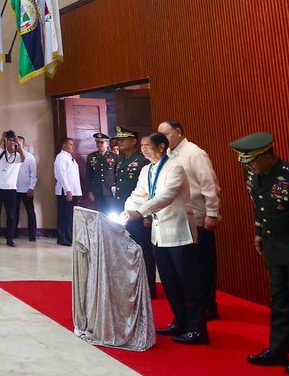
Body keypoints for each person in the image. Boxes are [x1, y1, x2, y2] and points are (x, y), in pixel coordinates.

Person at [231, 132, 289, 376]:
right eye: (246, 163)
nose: (249, 167)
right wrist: (259, 232)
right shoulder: (254, 175)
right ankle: (279, 348)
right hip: (274, 247)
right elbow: (260, 206)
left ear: (268, 155)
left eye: (252, 161)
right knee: (280, 301)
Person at [124, 132, 209, 346]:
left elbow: (167, 196)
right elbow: (139, 193)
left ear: (162, 147)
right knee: (169, 282)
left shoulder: (175, 168)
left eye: (147, 145)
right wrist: (128, 210)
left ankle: (198, 329)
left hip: (179, 232)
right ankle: (179, 321)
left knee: (188, 282)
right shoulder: (147, 170)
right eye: (141, 145)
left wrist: (141, 211)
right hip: (159, 235)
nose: (143, 149)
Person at [160, 120, 222, 320]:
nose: (163, 139)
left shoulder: (194, 153)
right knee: (188, 267)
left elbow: (209, 185)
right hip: (180, 219)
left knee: (203, 264)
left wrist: (212, 213)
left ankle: (207, 307)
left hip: (199, 217)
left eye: (166, 134)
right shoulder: (168, 155)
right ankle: (193, 306)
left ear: (178, 132)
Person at [112, 125, 156, 298]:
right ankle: (131, 283)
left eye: (123, 139)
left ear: (134, 141)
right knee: (125, 248)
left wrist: (147, 214)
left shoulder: (143, 161)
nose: (120, 142)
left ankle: (149, 286)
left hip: (139, 213)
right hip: (123, 212)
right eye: (118, 139)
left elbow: (148, 191)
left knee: (143, 250)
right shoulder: (121, 160)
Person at [0, 132, 23, 246]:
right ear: (6, 142)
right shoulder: (1, 153)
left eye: (13, 140)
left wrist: (19, 145)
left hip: (10, 189)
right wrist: (1, 138)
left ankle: (9, 238)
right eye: (9, 140)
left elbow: (23, 158)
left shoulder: (18, 155)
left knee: (11, 215)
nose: (12, 142)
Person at [53, 137, 81, 246]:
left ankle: (69, 236)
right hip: (65, 192)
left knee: (70, 216)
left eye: (73, 145)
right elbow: (61, 175)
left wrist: (77, 192)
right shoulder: (60, 157)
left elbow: (74, 177)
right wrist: (68, 190)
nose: (73, 147)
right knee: (64, 215)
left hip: (73, 191)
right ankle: (62, 237)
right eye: (70, 144)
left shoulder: (70, 158)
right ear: (64, 145)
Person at [13, 137, 38, 242]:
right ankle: (13, 233)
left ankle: (32, 235)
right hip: (13, 189)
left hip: (26, 189)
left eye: (19, 142)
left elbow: (33, 174)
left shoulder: (30, 157)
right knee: (13, 212)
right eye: (15, 142)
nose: (16, 144)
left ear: (23, 143)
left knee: (30, 212)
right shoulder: (11, 156)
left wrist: (31, 187)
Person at [85, 132, 116, 212]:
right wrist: (90, 190)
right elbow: (89, 175)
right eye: (97, 142)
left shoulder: (114, 156)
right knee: (100, 213)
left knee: (112, 213)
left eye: (102, 142)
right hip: (97, 191)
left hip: (110, 191)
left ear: (107, 143)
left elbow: (117, 173)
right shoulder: (92, 156)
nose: (99, 144)